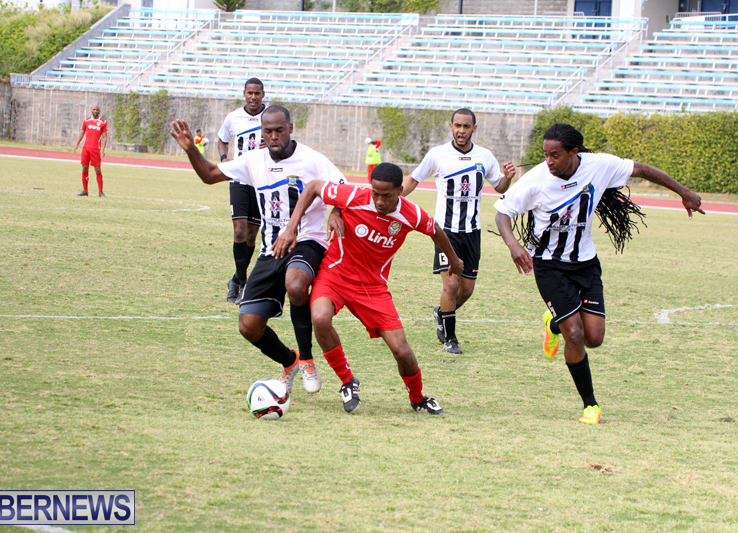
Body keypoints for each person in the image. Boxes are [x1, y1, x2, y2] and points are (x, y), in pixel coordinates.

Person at [493, 123, 705, 425]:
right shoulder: (536, 180)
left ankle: (553, 323)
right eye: (545, 154)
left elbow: (643, 169)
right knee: (575, 334)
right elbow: (502, 213)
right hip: (549, 265)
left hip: (586, 264)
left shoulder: (599, 165)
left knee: (594, 338)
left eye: (555, 155)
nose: (548, 161)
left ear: (574, 152)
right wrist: (514, 245)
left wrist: (684, 192)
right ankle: (590, 405)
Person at [171, 105, 347, 395]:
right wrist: (191, 150)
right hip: (271, 249)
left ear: (291, 129)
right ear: (261, 132)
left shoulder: (312, 160)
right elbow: (210, 174)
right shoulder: (253, 160)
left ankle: (307, 360)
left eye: (280, 130)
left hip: (307, 241)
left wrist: (337, 211)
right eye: (268, 131)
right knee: (249, 326)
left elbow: (344, 189)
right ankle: (289, 361)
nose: (274, 136)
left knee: (296, 283)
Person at [272, 162, 464, 415]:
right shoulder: (355, 196)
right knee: (319, 317)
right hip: (335, 275)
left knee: (402, 350)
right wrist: (292, 227)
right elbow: (314, 187)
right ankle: (347, 381)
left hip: (373, 288)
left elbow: (435, 229)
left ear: (400, 191)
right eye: (375, 194)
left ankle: (418, 398)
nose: (379, 201)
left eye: (387, 195)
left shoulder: (412, 214)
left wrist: (453, 260)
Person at [401, 108, 514, 354]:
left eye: (466, 126)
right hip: (445, 232)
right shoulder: (437, 155)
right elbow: (413, 179)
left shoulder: (485, 156)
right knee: (451, 286)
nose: (461, 130)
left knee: (466, 290)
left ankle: (441, 312)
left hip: (472, 232)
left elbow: (500, 186)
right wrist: (394, 200)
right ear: (451, 127)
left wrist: (507, 177)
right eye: (458, 126)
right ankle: (450, 339)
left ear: (474, 129)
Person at [218, 78, 267, 304]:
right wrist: (223, 158)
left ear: (263, 94)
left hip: (261, 181)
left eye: (257, 93)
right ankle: (243, 282)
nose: (253, 97)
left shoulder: (271, 117)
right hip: (239, 177)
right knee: (239, 231)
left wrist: (271, 147)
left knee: (251, 235)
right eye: (250, 93)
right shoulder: (234, 117)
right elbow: (222, 140)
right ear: (244, 94)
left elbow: (283, 142)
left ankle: (236, 279)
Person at [73, 104, 108, 198]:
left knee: (97, 169)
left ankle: (100, 192)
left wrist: (102, 149)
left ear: (99, 111)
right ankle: (85, 190)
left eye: (97, 109)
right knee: (84, 168)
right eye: (94, 109)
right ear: (91, 110)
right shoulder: (86, 120)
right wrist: (77, 144)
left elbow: (104, 137)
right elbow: (82, 132)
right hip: (85, 148)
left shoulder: (103, 122)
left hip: (95, 149)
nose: (95, 111)